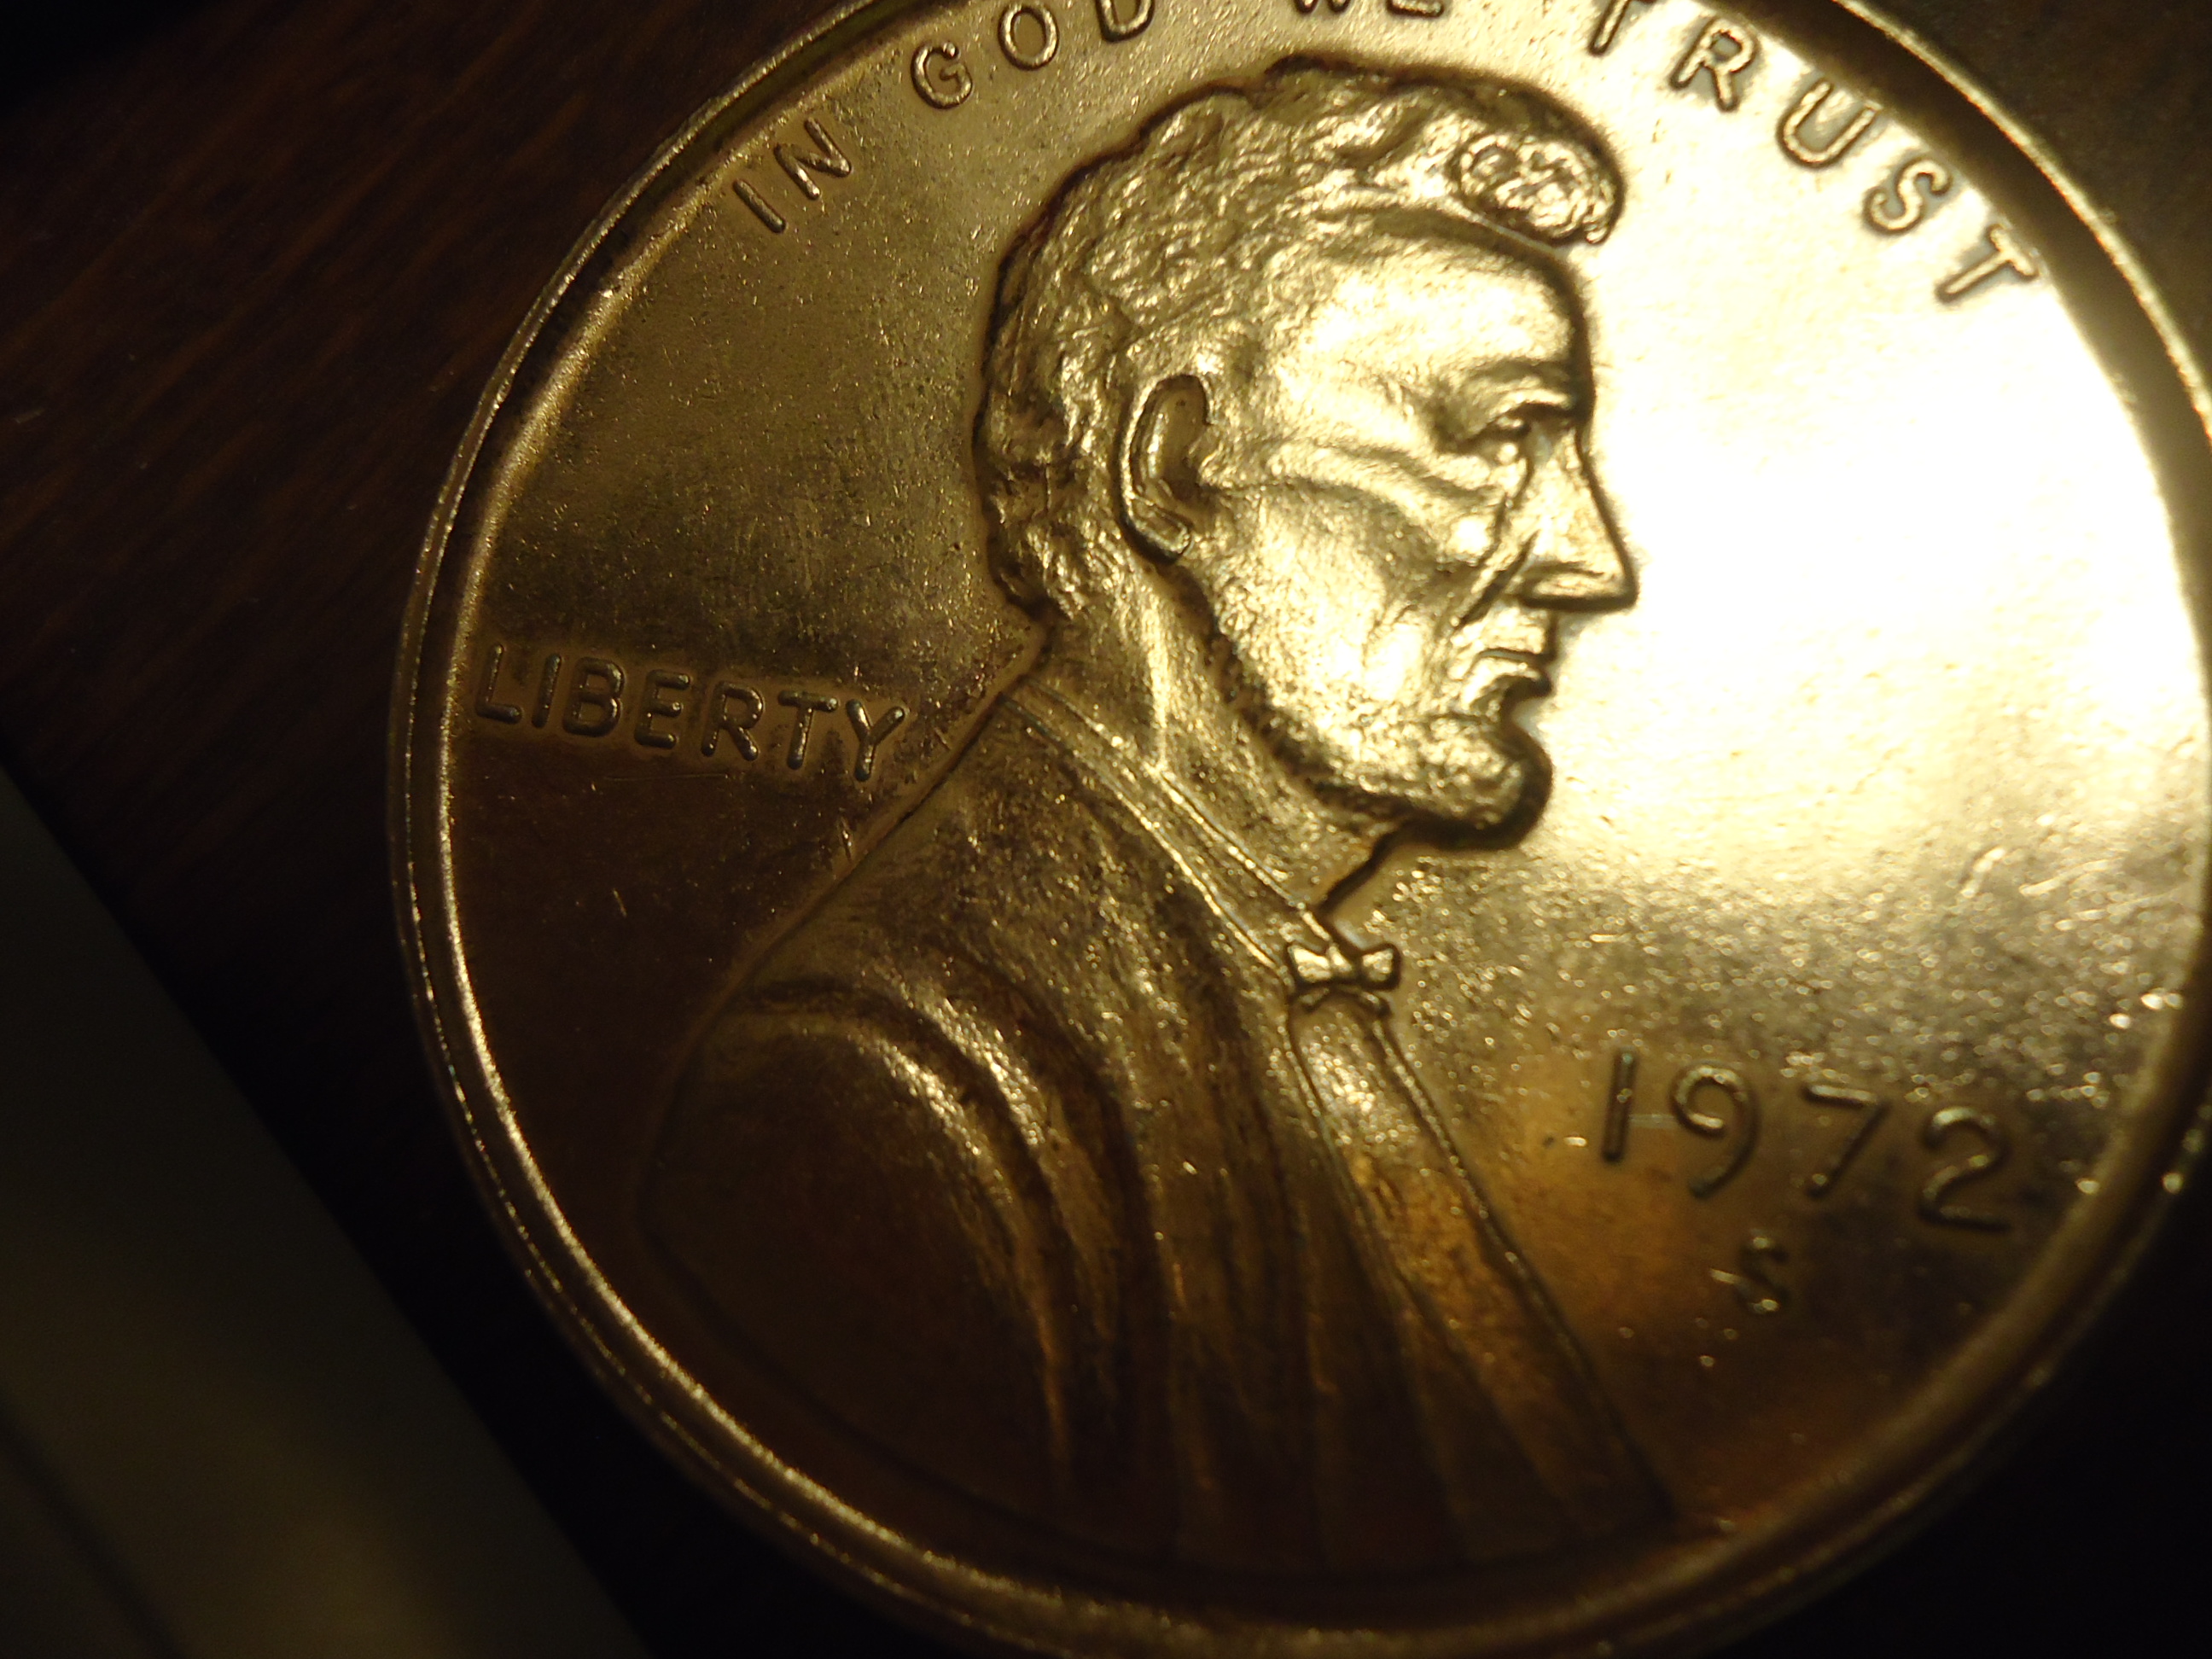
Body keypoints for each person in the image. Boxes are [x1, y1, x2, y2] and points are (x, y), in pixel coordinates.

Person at [643, 59, 1662, 1574]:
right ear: (1174, 468)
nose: (1590, 558)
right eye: (1497, 438)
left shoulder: (1280, 988)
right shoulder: (878, 1100)